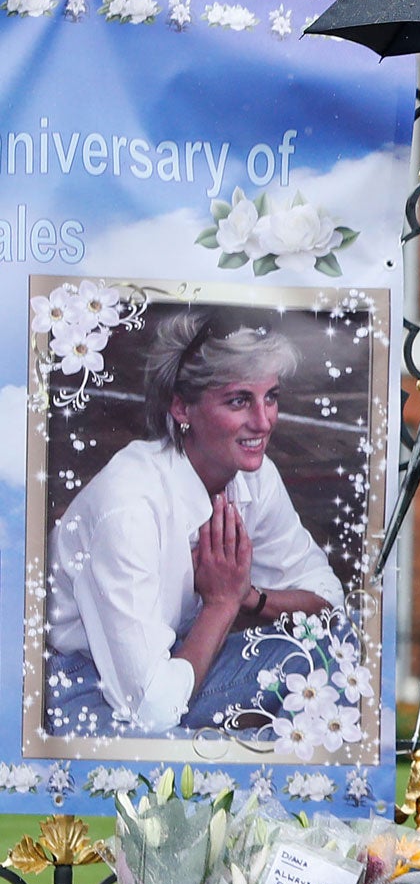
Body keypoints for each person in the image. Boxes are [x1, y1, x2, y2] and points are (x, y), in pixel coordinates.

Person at [42, 312, 345, 737]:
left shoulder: (254, 477)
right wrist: (221, 604)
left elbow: (330, 606)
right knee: (183, 751)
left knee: (333, 652)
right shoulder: (130, 505)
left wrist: (248, 597)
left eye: (271, 397)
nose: (263, 421)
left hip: (175, 672)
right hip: (80, 682)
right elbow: (150, 709)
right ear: (182, 406)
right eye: (239, 400)